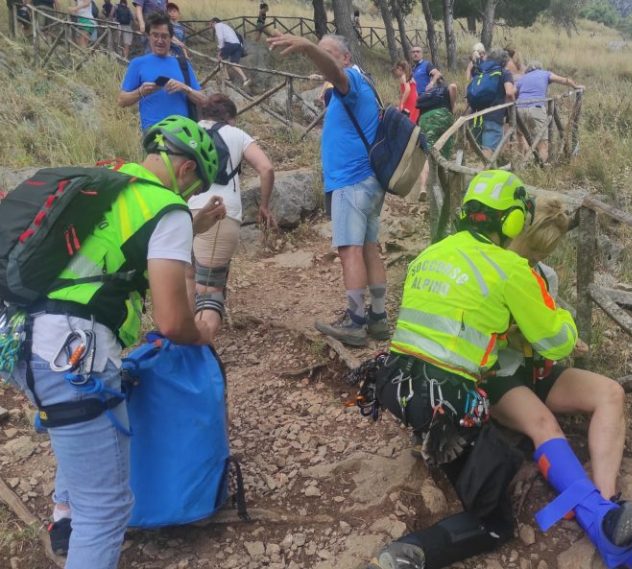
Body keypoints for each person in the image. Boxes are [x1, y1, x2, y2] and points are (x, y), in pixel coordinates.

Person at [366, 170, 632, 569]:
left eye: (540, 257)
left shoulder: (437, 254)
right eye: (532, 252)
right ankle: (601, 521)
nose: (535, 262)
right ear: (514, 224)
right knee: (515, 480)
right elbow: (554, 338)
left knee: (609, 393)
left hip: (408, 385)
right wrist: (561, 325)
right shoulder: (508, 268)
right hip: (475, 384)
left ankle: (605, 506)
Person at [4, 115, 224, 568]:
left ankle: (64, 518)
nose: (191, 196)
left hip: (17, 338)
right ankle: (78, 523)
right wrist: (201, 331)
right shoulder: (168, 207)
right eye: (196, 185)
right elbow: (170, 320)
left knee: (84, 424)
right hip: (72, 353)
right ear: (186, 170)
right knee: (107, 509)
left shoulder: (108, 181)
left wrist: (190, 224)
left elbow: (108, 246)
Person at [267, 32, 388, 347]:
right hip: (367, 181)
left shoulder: (350, 81)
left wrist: (308, 47)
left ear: (346, 58)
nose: (320, 58)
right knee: (368, 248)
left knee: (349, 249)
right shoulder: (357, 85)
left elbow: (334, 73)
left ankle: (355, 321)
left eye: (329, 53)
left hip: (351, 182)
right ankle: (378, 318)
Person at [188, 94, 276, 338]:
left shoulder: (187, 131)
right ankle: (201, 353)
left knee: (190, 279)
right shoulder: (236, 134)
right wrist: (264, 206)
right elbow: (266, 168)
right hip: (220, 214)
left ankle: (183, 347)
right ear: (230, 117)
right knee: (209, 291)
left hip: (183, 211)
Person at [118, 12, 207, 131]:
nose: (160, 40)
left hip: (184, 133)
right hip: (154, 132)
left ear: (171, 38)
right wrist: (140, 92)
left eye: (164, 36)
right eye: (155, 35)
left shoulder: (183, 64)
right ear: (148, 36)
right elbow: (121, 101)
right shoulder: (138, 64)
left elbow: (203, 100)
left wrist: (185, 88)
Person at [515, 61, 584, 163]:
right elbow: (564, 80)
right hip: (536, 108)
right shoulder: (545, 73)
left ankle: (524, 164)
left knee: (521, 136)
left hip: (519, 109)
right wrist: (576, 86)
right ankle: (541, 169)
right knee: (543, 144)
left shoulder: (522, 78)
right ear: (540, 68)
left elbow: (513, 92)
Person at [415, 78, 457, 199]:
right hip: (443, 116)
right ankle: (444, 188)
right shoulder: (444, 88)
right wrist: (452, 107)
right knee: (444, 151)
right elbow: (453, 86)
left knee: (428, 154)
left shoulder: (427, 95)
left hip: (424, 119)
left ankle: (423, 187)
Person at [473, 48, 515, 159]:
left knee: (481, 152)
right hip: (494, 117)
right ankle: (482, 174)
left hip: (476, 117)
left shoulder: (481, 72)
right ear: (504, 62)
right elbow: (509, 93)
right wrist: (513, 111)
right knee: (488, 152)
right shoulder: (504, 73)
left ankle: (485, 172)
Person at [210, 17, 250, 86]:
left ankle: (227, 79)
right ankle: (245, 79)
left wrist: (220, 49)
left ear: (214, 22)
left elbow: (220, 38)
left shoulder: (218, 26)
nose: (211, 26)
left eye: (211, 24)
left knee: (220, 60)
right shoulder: (226, 26)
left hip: (230, 44)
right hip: (237, 45)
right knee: (234, 63)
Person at [393, 60, 419, 125]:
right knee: (412, 119)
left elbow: (408, 89)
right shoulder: (409, 76)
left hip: (409, 100)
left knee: (407, 120)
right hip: (415, 99)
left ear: (400, 69)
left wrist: (401, 103)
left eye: (397, 69)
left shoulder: (403, 76)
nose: (396, 71)